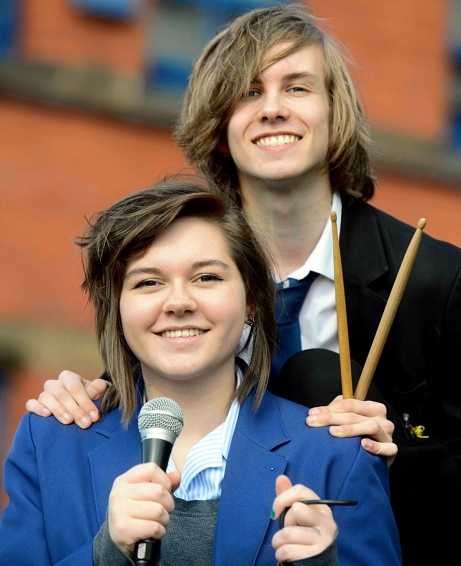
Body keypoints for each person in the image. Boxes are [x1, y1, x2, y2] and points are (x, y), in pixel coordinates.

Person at [24, 3, 461, 564]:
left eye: (297, 88)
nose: (273, 109)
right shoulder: (181, 284)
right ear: (220, 124)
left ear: (335, 113)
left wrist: (401, 449)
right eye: (249, 92)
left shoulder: (436, 279)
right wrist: (82, 395)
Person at [0, 179, 401, 565]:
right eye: (148, 282)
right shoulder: (50, 444)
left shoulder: (338, 456)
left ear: (251, 301)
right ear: (116, 310)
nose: (178, 302)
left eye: (206, 277)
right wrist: (106, 555)